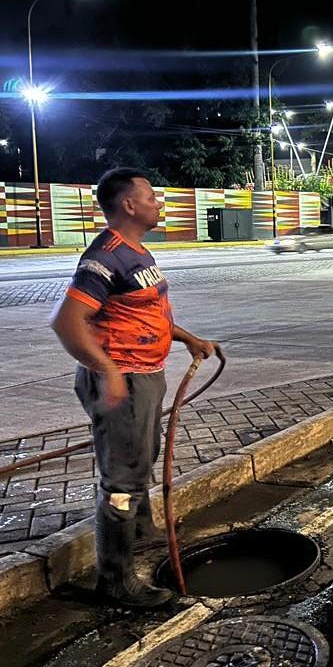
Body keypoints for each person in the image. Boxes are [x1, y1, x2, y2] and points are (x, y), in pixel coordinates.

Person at [51, 168, 217, 608]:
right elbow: (67, 323)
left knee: (141, 459)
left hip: (144, 376)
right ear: (128, 204)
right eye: (151, 196)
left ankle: (137, 536)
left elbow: (146, 315)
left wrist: (189, 339)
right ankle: (116, 581)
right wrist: (106, 372)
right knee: (122, 479)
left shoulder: (136, 254)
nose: (158, 203)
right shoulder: (104, 257)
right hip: (122, 382)